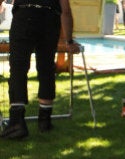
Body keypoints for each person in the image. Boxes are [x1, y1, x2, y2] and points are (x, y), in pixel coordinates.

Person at [0, 0, 80, 140]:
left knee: (18, 67)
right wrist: (69, 41)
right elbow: (65, 11)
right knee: (46, 68)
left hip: (24, 15)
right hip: (50, 19)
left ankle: (16, 122)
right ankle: (45, 121)